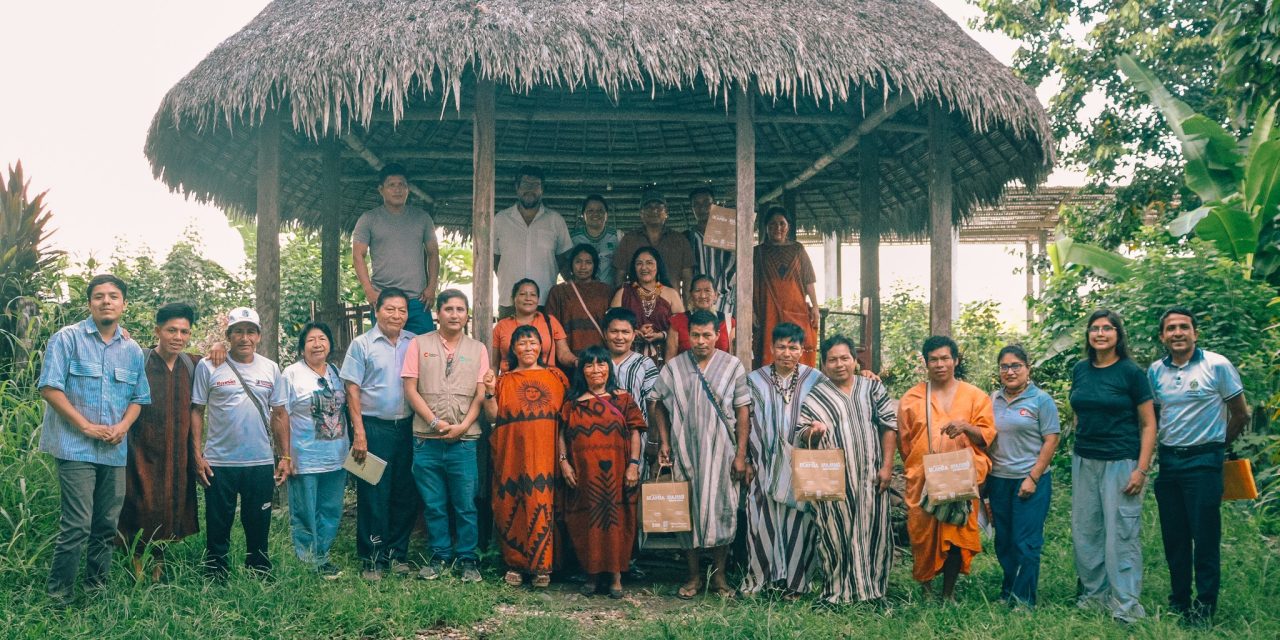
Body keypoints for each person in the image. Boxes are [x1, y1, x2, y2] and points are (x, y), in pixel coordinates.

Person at [38, 274, 151, 604]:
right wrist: (86, 426)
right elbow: (50, 388)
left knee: (105, 525)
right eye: (99, 296)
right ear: (89, 303)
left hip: (114, 451)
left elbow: (139, 398)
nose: (106, 301)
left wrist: (124, 427)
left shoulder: (131, 350)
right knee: (76, 524)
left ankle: (95, 592)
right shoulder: (67, 339)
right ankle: (59, 596)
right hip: (75, 448)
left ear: (123, 304)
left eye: (113, 296)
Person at [1148, 307, 1248, 625]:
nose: (1178, 333)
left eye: (1184, 327)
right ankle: (1179, 601)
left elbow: (1241, 413)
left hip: (1205, 462)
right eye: (1171, 328)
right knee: (1175, 539)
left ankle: (1204, 609)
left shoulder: (1217, 365)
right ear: (1162, 336)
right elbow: (1153, 418)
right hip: (1169, 463)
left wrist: (1219, 448)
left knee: (1204, 538)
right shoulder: (1154, 372)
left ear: (1195, 333)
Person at [653, 310, 750, 599]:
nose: (701, 341)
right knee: (688, 512)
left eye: (707, 335)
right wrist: (664, 442)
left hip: (722, 452)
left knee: (723, 508)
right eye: (695, 335)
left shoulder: (733, 366)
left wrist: (740, 454)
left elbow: (742, 411)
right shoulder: (674, 367)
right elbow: (657, 402)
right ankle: (693, 576)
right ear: (687, 335)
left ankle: (719, 577)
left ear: (718, 335)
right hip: (686, 452)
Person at [795, 335, 898, 604]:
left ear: (854, 360)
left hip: (871, 477)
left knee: (873, 532)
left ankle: (873, 591)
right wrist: (813, 433)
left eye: (844, 358)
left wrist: (887, 466)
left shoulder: (872, 389)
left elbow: (889, 425)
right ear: (824, 364)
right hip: (833, 482)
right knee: (834, 534)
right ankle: (838, 592)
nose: (839, 364)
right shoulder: (816, 396)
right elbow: (800, 433)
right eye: (832, 359)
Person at [191, 307, 291, 578]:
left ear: (258, 336)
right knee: (217, 521)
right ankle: (215, 571)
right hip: (219, 461)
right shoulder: (208, 366)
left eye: (250, 331)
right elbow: (196, 411)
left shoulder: (270, 368)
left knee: (258, 519)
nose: (244, 338)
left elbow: (280, 414)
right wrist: (197, 455)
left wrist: (285, 457)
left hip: (258, 460)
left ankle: (258, 567)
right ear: (229, 336)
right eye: (238, 331)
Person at [1069, 309, 1156, 623]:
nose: (1100, 334)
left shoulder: (1131, 373)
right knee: (1086, 533)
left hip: (1121, 462)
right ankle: (1094, 598)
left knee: (1121, 534)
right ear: (1088, 335)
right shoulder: (1080, 369)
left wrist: (1141, 469)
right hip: (1085, 460)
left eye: (1107, 328)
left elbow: (1148, 424)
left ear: (1118, 334)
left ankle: (1126, 607)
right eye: (1094, 328)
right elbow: (1078, 410)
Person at [896, 335, 996, 601]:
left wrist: (966, 427)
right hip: (924, 478)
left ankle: (948, 593)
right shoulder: (911, 398)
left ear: (956, 360)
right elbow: (904, 443)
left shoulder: (975, 396)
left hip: (961, 477)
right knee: (923, 535)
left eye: (945, 358)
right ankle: (927, 590)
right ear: (926, 363)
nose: (940, 364)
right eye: (933, 359)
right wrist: (920, 465)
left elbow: (987, 436)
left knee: (955, 534)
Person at [402, 290, 489, 583]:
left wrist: (463, 426)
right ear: (438, 313)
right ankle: (439, 556)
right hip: (426, 439)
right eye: (449, 309)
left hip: (464, 441)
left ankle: (468, 560)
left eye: (460, 309)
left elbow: (481, 393)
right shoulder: (418, 343)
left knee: (465, 505)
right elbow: (410, 389)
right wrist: (436, 422)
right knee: (434, 504)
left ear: (467, 315)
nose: (454, 314)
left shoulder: (478, 349)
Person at [739, 323, 824, 599]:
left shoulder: (816, 380)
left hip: (801, 465)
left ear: (802, 350)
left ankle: (797, 583)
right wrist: (748, 460)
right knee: (761, 518)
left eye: (793, 347)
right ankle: (761, 579)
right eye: (781, 346)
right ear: (772, 348)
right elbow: (743, 422)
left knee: (800, 520)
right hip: (763, 462)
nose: (786, 353)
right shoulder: (754, 380)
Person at [340, 288, 420, 581]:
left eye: (402, 310)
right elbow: (352, 390)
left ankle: (397, 554)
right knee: (373, 492)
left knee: (404, 491)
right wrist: (358, 433)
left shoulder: (414, 343)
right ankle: (371, 558)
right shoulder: (362, 344)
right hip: (373, 427)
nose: (396, 315)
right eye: (390, 309)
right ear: (377, 310)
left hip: (408, 428)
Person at [482, 325, 569, 588]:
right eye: (522, 344)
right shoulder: (503, 381)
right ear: (513, 349)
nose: (528, 348)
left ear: (542, 346)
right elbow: (492, 417)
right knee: (512, 503)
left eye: (532, 342)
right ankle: (516, 564)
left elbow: (567, 418)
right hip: (513, 455)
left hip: (547, 455)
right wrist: (488, 391)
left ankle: (544, 566)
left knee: (546, 503)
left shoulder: (556, 377)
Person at [118, 302, 199, 583]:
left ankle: (158, 566)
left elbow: (225, 360)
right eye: (171, 330)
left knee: (170, 506)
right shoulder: (139, 359)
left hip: (176, 453)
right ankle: (136, 566)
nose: (178, 337)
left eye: (184, 332)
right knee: (141, 505)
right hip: (140, 450)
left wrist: (220, 350)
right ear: (158, 331)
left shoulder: (192, 364)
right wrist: (120, 334)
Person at [559, 346, 646, 599]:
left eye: (601, 364)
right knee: (586, 522)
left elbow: (635, 432)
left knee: (618, 521)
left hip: (618, 473)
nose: (596, 370)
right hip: (584, 475)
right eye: (589, 365)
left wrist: (633, 464)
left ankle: (617, 576)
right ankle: (592, 574)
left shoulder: (623, 399)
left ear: (609, 367)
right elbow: (561, 434)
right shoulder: (573, 403)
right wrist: (564, 462)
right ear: (582, 370)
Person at [988, 345, 1060, 608]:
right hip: (999, 479)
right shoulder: (992, 399)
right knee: (1004, 540)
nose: (1010, 371)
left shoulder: (1041, 400)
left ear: (1027, 368)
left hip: (1030, 478)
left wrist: (1033, 477)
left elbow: (1051, 439)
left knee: (1026, 541)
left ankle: (1024, 598)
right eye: (1004, 366)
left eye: (1016, 365)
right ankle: (1008, 590)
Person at [281, 321, 348, 578]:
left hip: (337, 456)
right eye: (311, 340)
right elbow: (280, 416)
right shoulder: (292, 374)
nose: (317, 344)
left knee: (330, 509)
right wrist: (286, 455)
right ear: (302, 348)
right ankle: (308, 561)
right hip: (304, 457)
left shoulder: (335, 372)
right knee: (305, 511)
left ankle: (323, 556)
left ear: (329, 344)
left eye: (322, 338)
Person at [353, 163, 440, 334]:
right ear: (381, 190)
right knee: (384, 354)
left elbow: (433, 254)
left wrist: (431, 288)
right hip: (384, 300)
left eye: (402, 185)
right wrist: (369, 291)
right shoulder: (368, 219)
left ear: (408, 189)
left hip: (418, 301)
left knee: (424, 354)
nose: (397, 190)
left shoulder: (422, 218)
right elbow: (358, 255)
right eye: (392, 185)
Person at [494, 165, 573, 316]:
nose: (530, 189)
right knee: (508, 340)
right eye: (525, 184)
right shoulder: (500, 220)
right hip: (510, 301)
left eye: (535, 185)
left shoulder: (555, 220)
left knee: (545, 340)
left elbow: (563, 259)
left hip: (545, 301)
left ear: (542, 189)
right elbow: (494, 258)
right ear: (517, 188)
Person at [752, 206, 820, 368]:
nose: (778, 228)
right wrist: (751, 311)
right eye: (773, 224)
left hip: (796, 309)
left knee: (797, 349)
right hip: (767, 310)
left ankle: (800, 388)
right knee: (769, 351)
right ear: (766, 227)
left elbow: (809, 280)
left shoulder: (798, 249)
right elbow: (750, 284)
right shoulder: (758, 252)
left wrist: (816, 306)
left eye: (782, 223)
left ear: (788, 226)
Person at [613, 189, 695, 298]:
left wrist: (685, 308)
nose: (654, 210)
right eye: (648, 207)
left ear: (666, 212)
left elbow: (687, 277)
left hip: (670, 306)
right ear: (641, 214)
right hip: (636, 307)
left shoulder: (680, 240)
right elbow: (620, 275)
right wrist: (624, 303)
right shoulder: (629, 240)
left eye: (659, 207)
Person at [611, 247, 683, 369]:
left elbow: (682, 329)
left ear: (658, 266)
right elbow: (611, 327)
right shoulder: (623, 293)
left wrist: (661, 335)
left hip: (665, 360)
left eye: (649, 263)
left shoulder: (671, 294)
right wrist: (634, 332)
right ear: (634, 267)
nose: (644, 268)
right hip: (628, 361)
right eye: (639, 263)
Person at [492, 279, 575, 373]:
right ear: (513, 298)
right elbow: (493, 364)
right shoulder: (501, 326)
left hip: (546, 380)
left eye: (533, 295)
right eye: (523, 294)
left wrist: (576, 361)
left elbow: (563, 354)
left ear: (538, 299)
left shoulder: (550, 321)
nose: (528, 298)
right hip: (510, 382)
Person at [546, 243, 613, 359]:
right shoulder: (558, 291)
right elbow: (551, 324)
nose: (583, 267)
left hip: (600, 356)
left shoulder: (606, 291)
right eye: (578, 262)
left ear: (595, 265)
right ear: (571, 264)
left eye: (588, 262)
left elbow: (613, 324)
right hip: (568, 356)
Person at [684, 186, 736, 318]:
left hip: (724, 299)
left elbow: (737, 265)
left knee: (723, 336)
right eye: (697, 204)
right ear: (692, 209)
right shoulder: (687, 237)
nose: (702, 208)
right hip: (698, 300)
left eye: (707, 203)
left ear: (714, 205)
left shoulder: (728, 233)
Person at [669, 274, 735, 356]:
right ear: (691, 295)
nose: (703, 296)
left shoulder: (729, 322)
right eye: (697, 291)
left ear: (716, 295)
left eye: (707, 290)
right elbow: (670, 362)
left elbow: (734, 359)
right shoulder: (678, 321)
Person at [570, 194, 623, 286]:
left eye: (600, 210)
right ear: (583, 215)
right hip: (581, 293)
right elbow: (566, 266)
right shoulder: (573, 238)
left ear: (606, 215)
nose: (595, 214)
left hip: (610, 293)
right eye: (590, 210)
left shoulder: (617, 237)